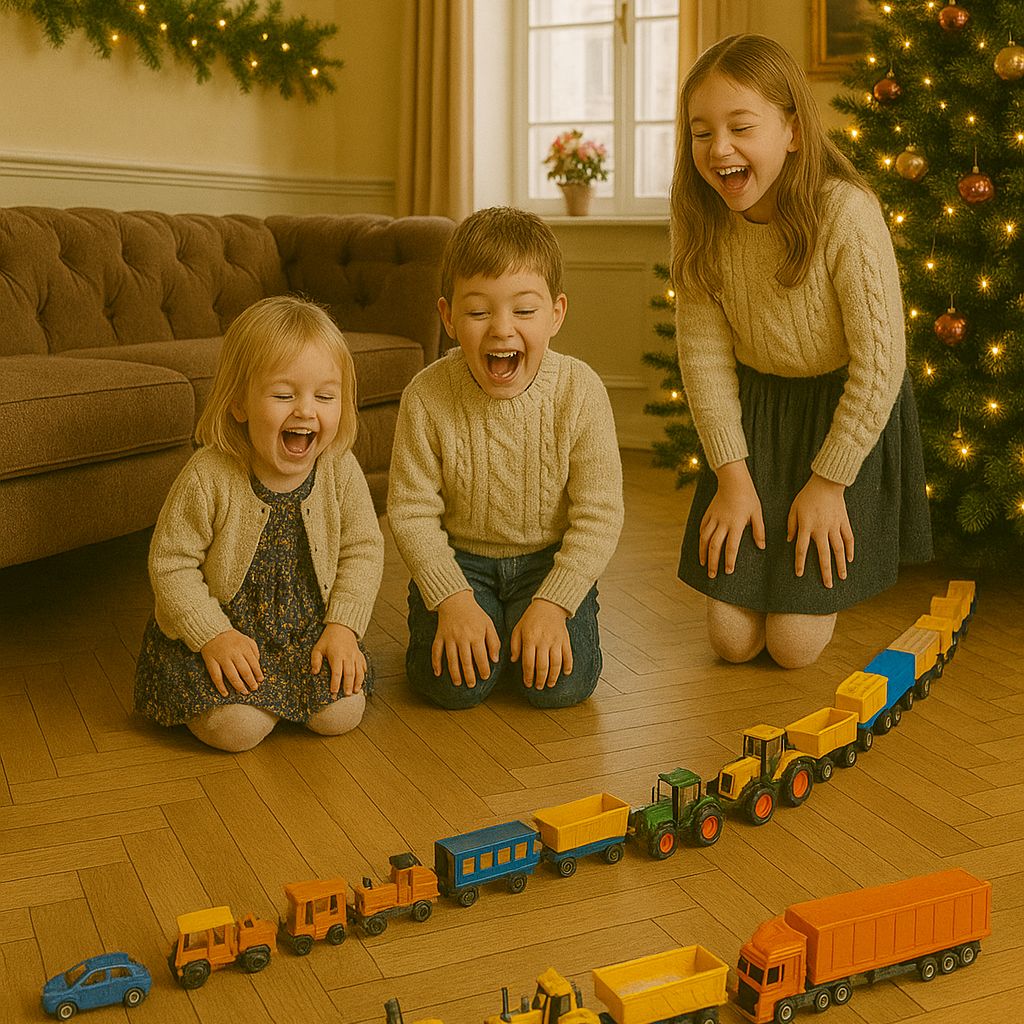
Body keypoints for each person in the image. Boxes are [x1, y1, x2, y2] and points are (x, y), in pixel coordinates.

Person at [671, 34, 931, 669]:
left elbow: (881, 366)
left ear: (791, 130)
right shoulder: (701, 220)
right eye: (701, 132)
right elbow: (704, 362)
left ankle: (811, 575)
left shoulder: (846, 213)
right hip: (757, 421)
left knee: (791, 647)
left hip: (843, 417)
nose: (719, 148)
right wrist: (733, 478)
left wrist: (830, 480)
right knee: (732, 641)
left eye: (740, 127)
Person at [387, 206, 624, 710]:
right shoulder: (426, 396)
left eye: (523, 311)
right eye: (478, 312)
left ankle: (521, 630)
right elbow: (411, 512)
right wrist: (451, 598)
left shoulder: (581, 391)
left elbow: (599, 515)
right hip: (461, 560)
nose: (501, 329)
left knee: (563, 687)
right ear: (448, 317)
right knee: (453, 689)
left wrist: (555, 602)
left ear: (556, 314)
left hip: (547, 561)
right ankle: (491, 632)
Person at [134, 296, 384, 751]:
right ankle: (253, 702)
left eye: (325, 397)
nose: (307, 411)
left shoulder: (339, 469)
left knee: (342, 713)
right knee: (238, 730)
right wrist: (212, 635)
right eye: (285, 395)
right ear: (239, 404)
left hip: (307, 631)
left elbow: (363, 550)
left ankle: (277, 697)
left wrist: (343, 628)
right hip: (224, 631)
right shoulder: (209, 474)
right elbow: (170, 565)